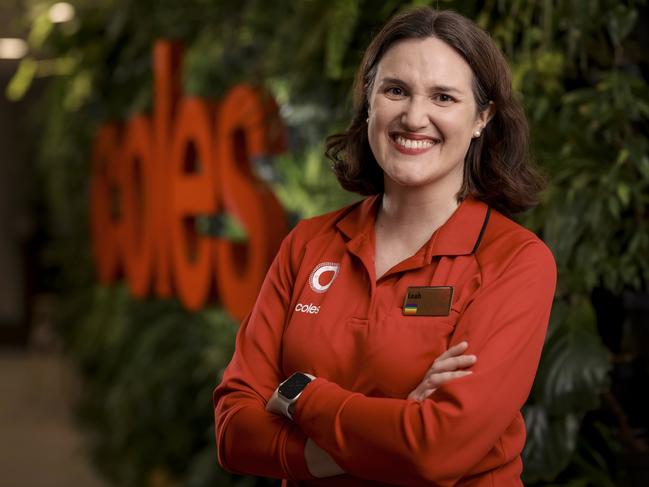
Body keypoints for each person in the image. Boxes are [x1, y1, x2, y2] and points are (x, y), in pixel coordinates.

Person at [213, 7, 556, 487]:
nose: (414, 117)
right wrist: (395, 429)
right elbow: (233, 432)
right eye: (395, 90)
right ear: (369, 102)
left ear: (483, 117)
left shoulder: (515, 261)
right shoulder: (308, 244)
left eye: (443, 97)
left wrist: (302, 395)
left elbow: (437, 451)